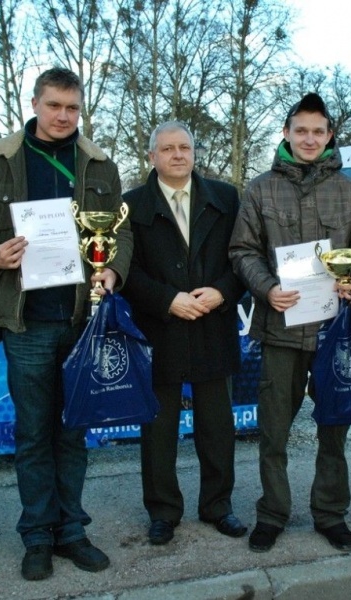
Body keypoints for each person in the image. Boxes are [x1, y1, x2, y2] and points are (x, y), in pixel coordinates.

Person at [0, 68, 132, 580]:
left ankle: (72, 530)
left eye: (72, 107)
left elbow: (120, 232)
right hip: (26, 321)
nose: (63, 116)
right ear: (34, 104)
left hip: (81, 320)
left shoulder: (99, 165)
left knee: (73, 432)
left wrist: (114, 269)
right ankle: (36, 534)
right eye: (54, 105)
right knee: (33, 435)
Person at [229, 93, 351, 553]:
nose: (309, 139)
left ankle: (330, 514)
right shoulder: (260, 189)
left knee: (334, 430)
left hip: (333, 332)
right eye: (301, 130)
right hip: (281, 330)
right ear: (286, 134)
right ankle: (272, 514)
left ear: (330, 136)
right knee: (274, 432)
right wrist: (266, 288)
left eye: (318, 131)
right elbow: (242, 250)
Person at [120, 121, 247, 546]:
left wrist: (223, 292)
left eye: (185, 147)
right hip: (160, 330)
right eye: (168, 148)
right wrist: (166, 300)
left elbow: (244, 256)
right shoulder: (131, 205)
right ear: (151, 156)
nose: (177, 155)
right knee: (159, 430)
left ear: (194, 153)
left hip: (214, 326)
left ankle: (218, 505)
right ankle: (162, 512)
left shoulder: (226, 198)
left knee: (217, 427)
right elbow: (126, 269)